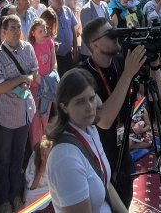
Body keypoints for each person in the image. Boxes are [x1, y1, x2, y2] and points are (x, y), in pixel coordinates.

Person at [78, 17, 147, 206]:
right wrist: (128, 73)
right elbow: (104, 120)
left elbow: (156, 98)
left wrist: (153, 64)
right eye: (110, 34)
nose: (116, 36)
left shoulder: (119, 61)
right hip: (99, 156)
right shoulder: (83, 75)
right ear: (94, 45)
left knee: (125, 200)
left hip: (122, 149)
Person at [45, 68, 129, 213]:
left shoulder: (90, 130)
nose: (90, 107)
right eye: (80, 102)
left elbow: (105, 183)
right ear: (64, 107)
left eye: (91, 98)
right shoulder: (65, 158)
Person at [0, 13, 38, 213]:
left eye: (18, 27)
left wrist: (28, 79)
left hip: (25, 111)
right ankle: (3, 200)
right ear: (4, 32)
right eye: (12, 28)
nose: (17, 31)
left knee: (19, 155)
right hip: (5, 115)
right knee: (3, 158)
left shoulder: (28, 48)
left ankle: (16, 194)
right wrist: (21, 79)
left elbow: (34, 73)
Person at [28, 16, 57, 150]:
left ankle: (45, 144)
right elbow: (31, 69)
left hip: (48, 84)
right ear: (33, 33)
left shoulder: (49, 42)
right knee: (35, 116)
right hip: (35, 85)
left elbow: (54, 62)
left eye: (44, 29)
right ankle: (35, 146)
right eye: (40, 30)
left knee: (45, 114)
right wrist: (41, 81)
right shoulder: (30, 47)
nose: (44, 32)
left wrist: (51, 78)